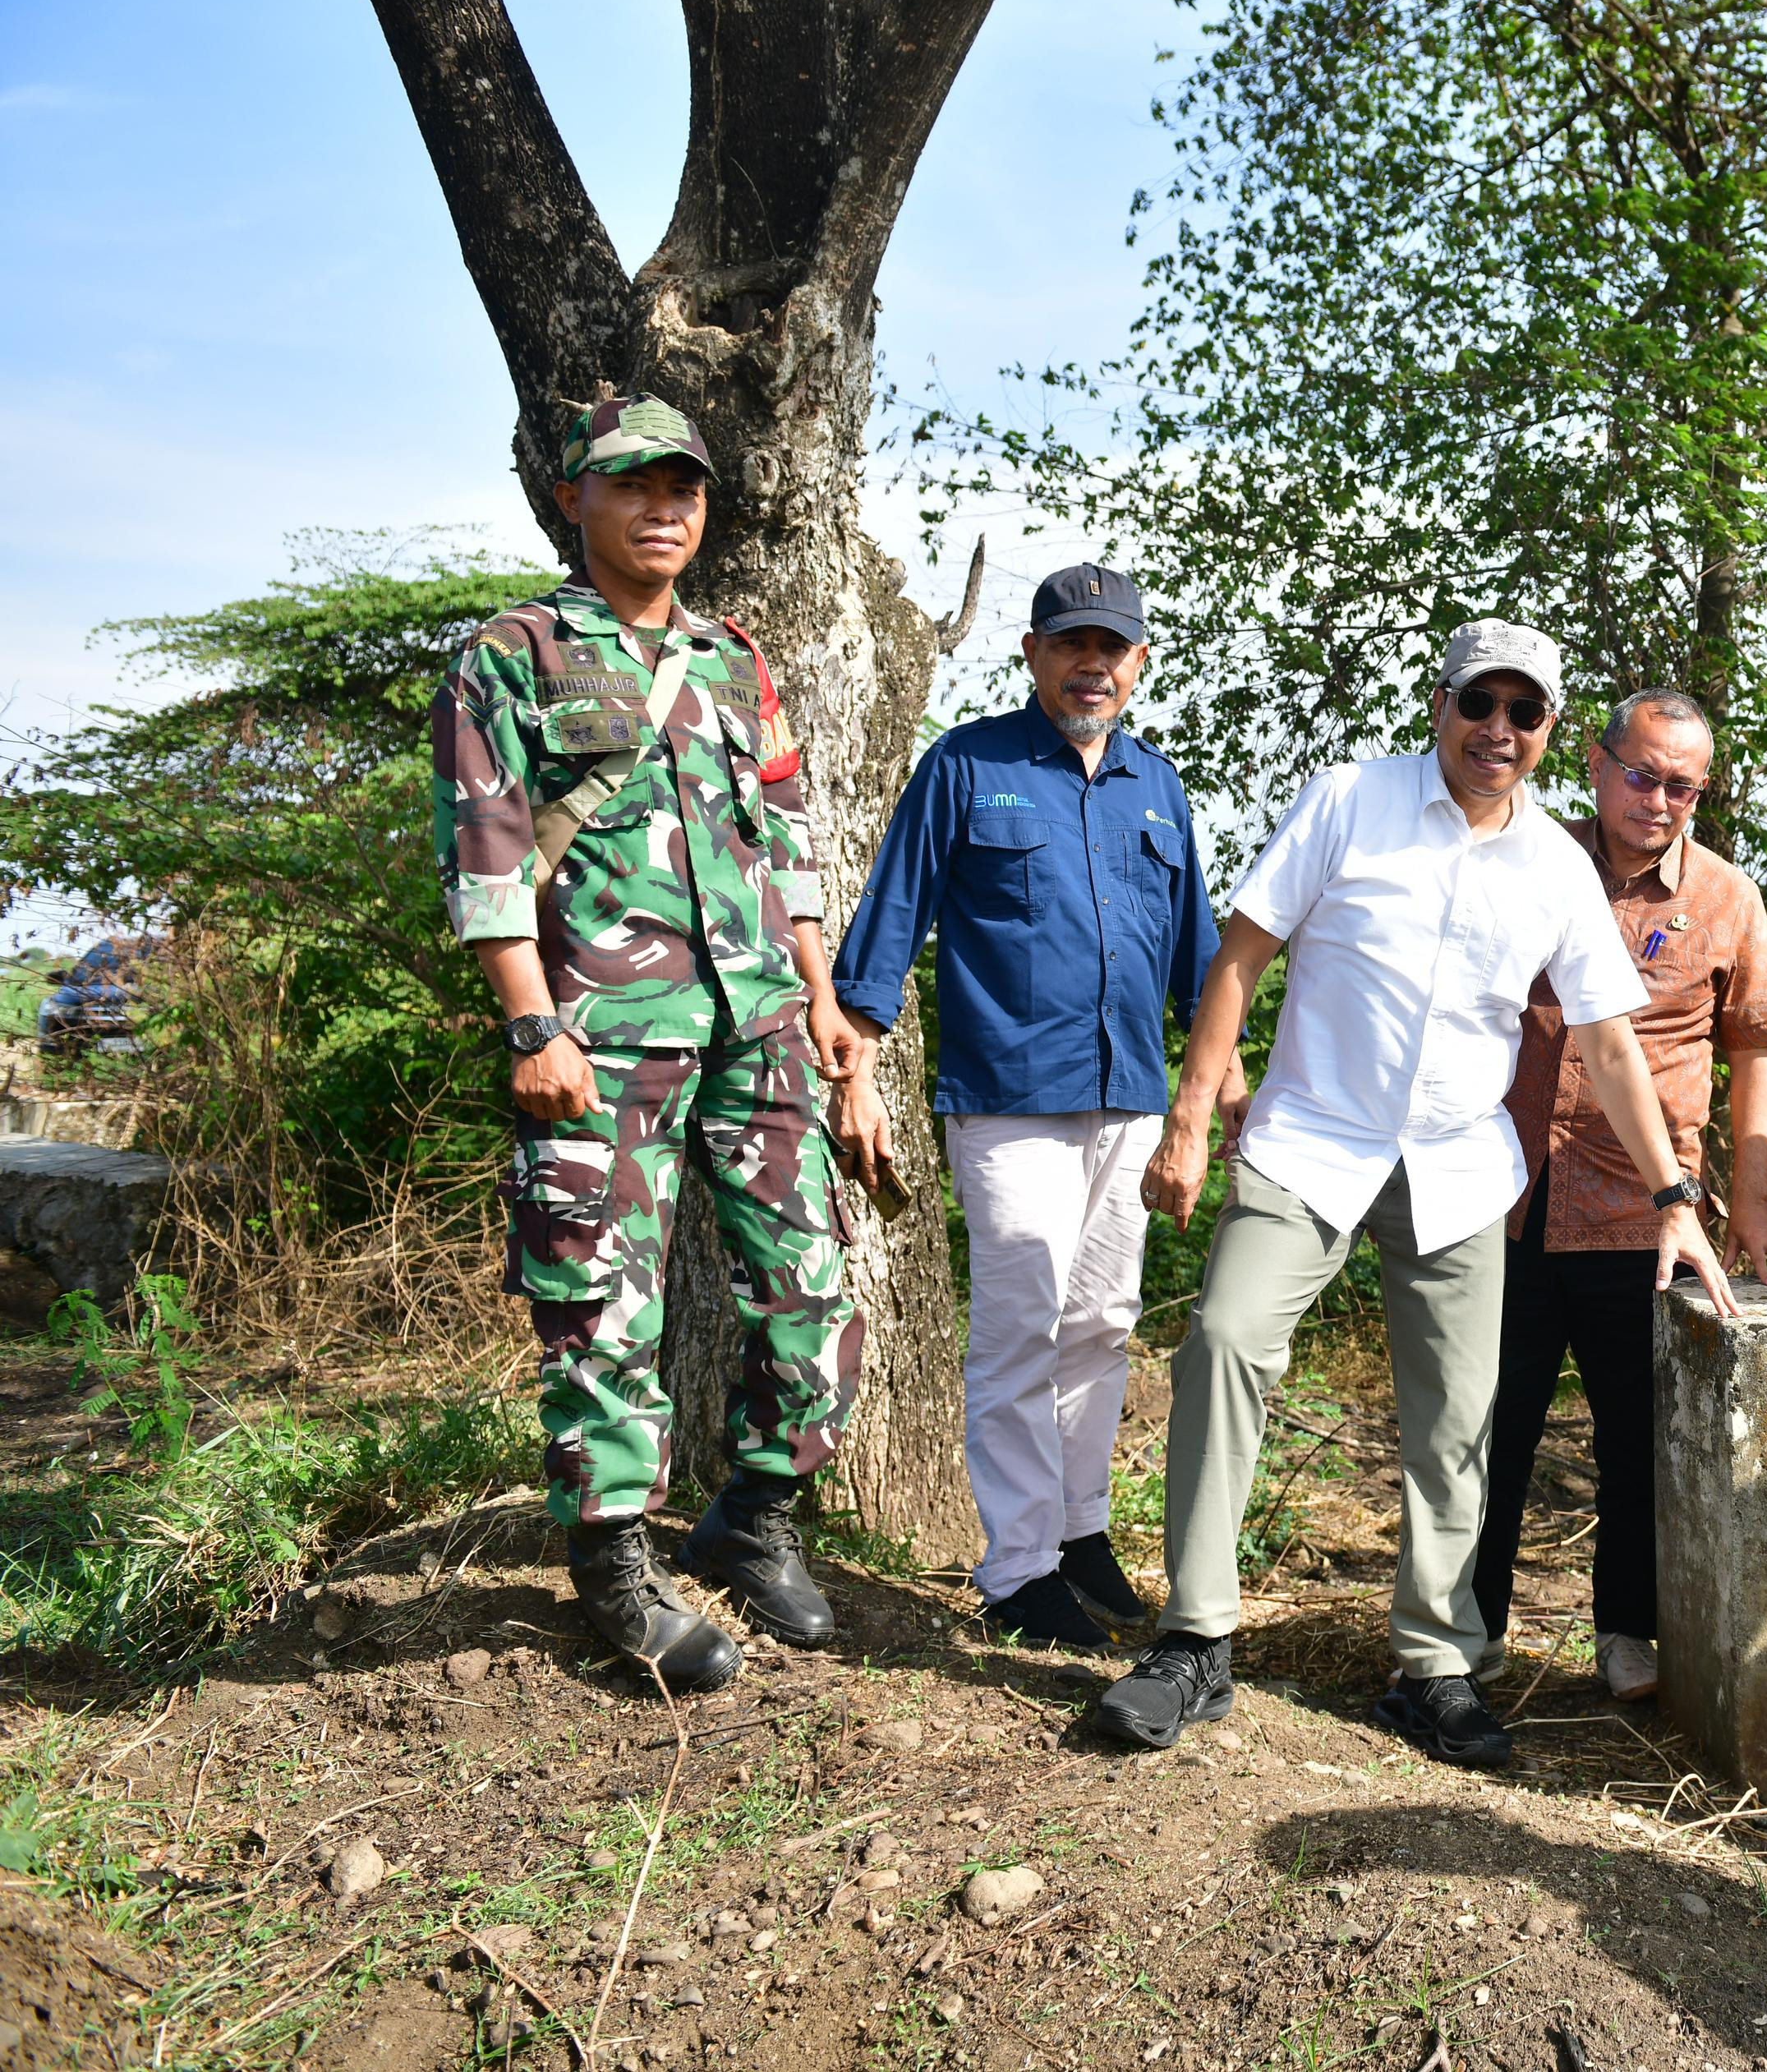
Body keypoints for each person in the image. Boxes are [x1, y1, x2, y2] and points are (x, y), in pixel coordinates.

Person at [1092, 621, 1740, 1767]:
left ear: (1549, 734)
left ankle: (1434, 1662)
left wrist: (1677, 1194)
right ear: (1439, 705)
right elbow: (1242, 953)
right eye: (1478, 704)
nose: (1498, 730)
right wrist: (1190, 1113)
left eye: (1522, 712)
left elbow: (1612, 1041)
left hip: (1455, 1165)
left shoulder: (1554, 866)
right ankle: (1194, 1637)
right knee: (1226, 1342)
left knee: (1459, 1417)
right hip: (1311, 1139)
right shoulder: (1348, 798)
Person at [430, 392, 863, 1695]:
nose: (664, 506)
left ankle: (758, 1513)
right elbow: (487, 851)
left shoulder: (735, 658)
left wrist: (822, 993)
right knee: (600, 1302)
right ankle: (614, 1559)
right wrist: (531, 1017)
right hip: (598, 1035)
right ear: (577, 500)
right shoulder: (514, 654)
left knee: (813, 1284)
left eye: (683, 486)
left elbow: (784, 838)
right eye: (632, 485)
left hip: (760, 1024)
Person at [828, 563, 1226, 1655]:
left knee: (1100, 1321)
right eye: (1071, 645)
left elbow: (1201, 955)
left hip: (1130, 1097)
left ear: (1139, 662)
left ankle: (1081, 1531)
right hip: (1007, 1099)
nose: (1091, 665)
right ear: (1035, 654)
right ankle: (1015, 1571)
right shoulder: (968, 764)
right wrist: (853, 1065)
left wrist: (1218, 1083)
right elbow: (890, 919)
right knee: (1021, 1326)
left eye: (1113, 647)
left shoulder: (1159, 784)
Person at [1473, 688, 1767, 1701]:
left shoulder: (1723, 895)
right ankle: (1465, 1624)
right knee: (1485, 1429)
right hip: (1504, 1197)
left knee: (1637, 1438)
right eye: (1641, 773)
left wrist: (1746, 1200)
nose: (1657, 798)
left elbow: (1757, 1048)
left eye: (1682, 784)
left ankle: (1626, 1629)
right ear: (1593, 761)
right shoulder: (1518, 857)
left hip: (1645, 1215)